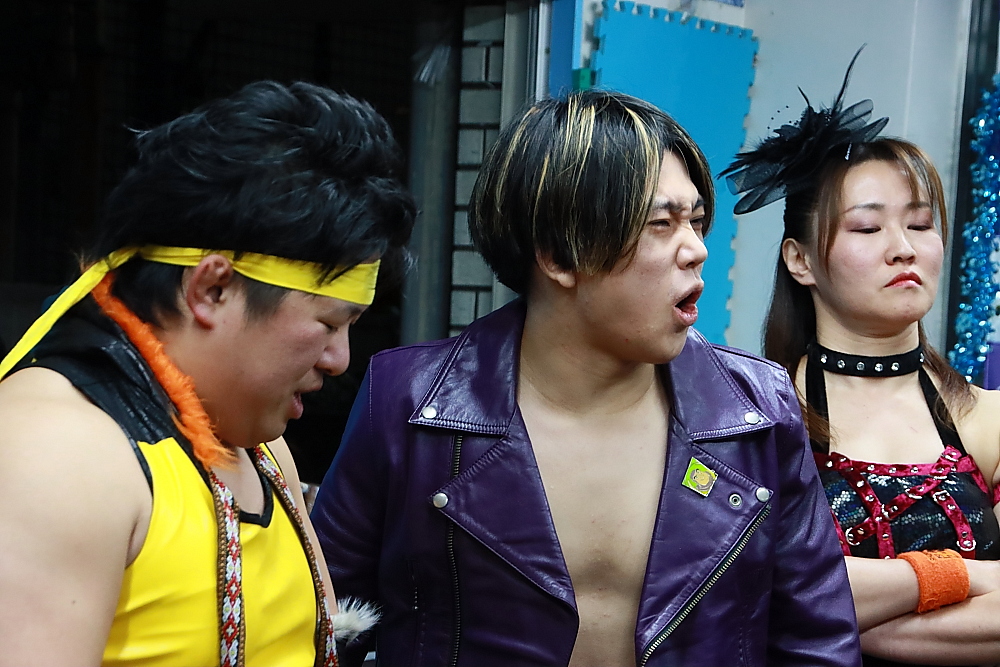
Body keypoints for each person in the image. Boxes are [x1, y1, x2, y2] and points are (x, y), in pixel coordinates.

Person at [311, 90, 861, 667]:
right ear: (558, 254)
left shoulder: (757, 411)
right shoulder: (411, 400)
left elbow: (817, 642)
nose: (696, 250)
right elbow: (325, 626)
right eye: (661, 223)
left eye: (697, 222)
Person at [0, 80, 415, 667]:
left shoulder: (263, 450)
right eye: (328, 323)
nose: (340, 359)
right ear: (213, 289)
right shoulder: (57, 448)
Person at [724, 53, 1000, 666]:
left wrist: (827, 611)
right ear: (800, 260)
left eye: (921, 224)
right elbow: (742, 594)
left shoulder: (989, 419)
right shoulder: (754, 416)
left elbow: (786, 602)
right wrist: (964, 576)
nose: (904, 248)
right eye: (868, 229)